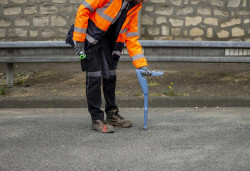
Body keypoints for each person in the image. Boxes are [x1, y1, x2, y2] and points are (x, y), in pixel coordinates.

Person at [73, 0, 152, 133]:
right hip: (89, 40)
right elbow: (83, 9)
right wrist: (79, 40)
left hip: (109, 43)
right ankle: (97, 119)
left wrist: (141, 65)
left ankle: (112, 114)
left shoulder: (135, 6)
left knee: (110, 76)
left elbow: (131, 37)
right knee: (94, 78)